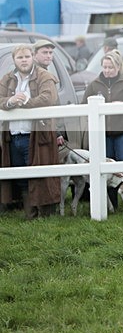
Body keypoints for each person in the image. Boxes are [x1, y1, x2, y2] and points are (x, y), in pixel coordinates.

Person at [0, 45, 62, 218]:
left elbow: (48, 98)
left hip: (37, 135)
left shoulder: (44, 76)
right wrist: (11, 101)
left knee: (41, 175)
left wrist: (25, 102)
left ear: (33, 57)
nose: (24, 60)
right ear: (14, 60)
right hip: (13, 136)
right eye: (20, 58)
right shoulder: (7, 79)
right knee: (21, 177)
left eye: (27, 56)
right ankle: (30, 215)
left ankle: (46, 215)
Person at [82, 51, 123, 206]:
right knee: (107, 170)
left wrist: (122, 106)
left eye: (111, 67)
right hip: (103, 134)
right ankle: (111, 204)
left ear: (118, 67)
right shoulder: (94, 85)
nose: (107, 70)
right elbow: (84, 106)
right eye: (105, 67)